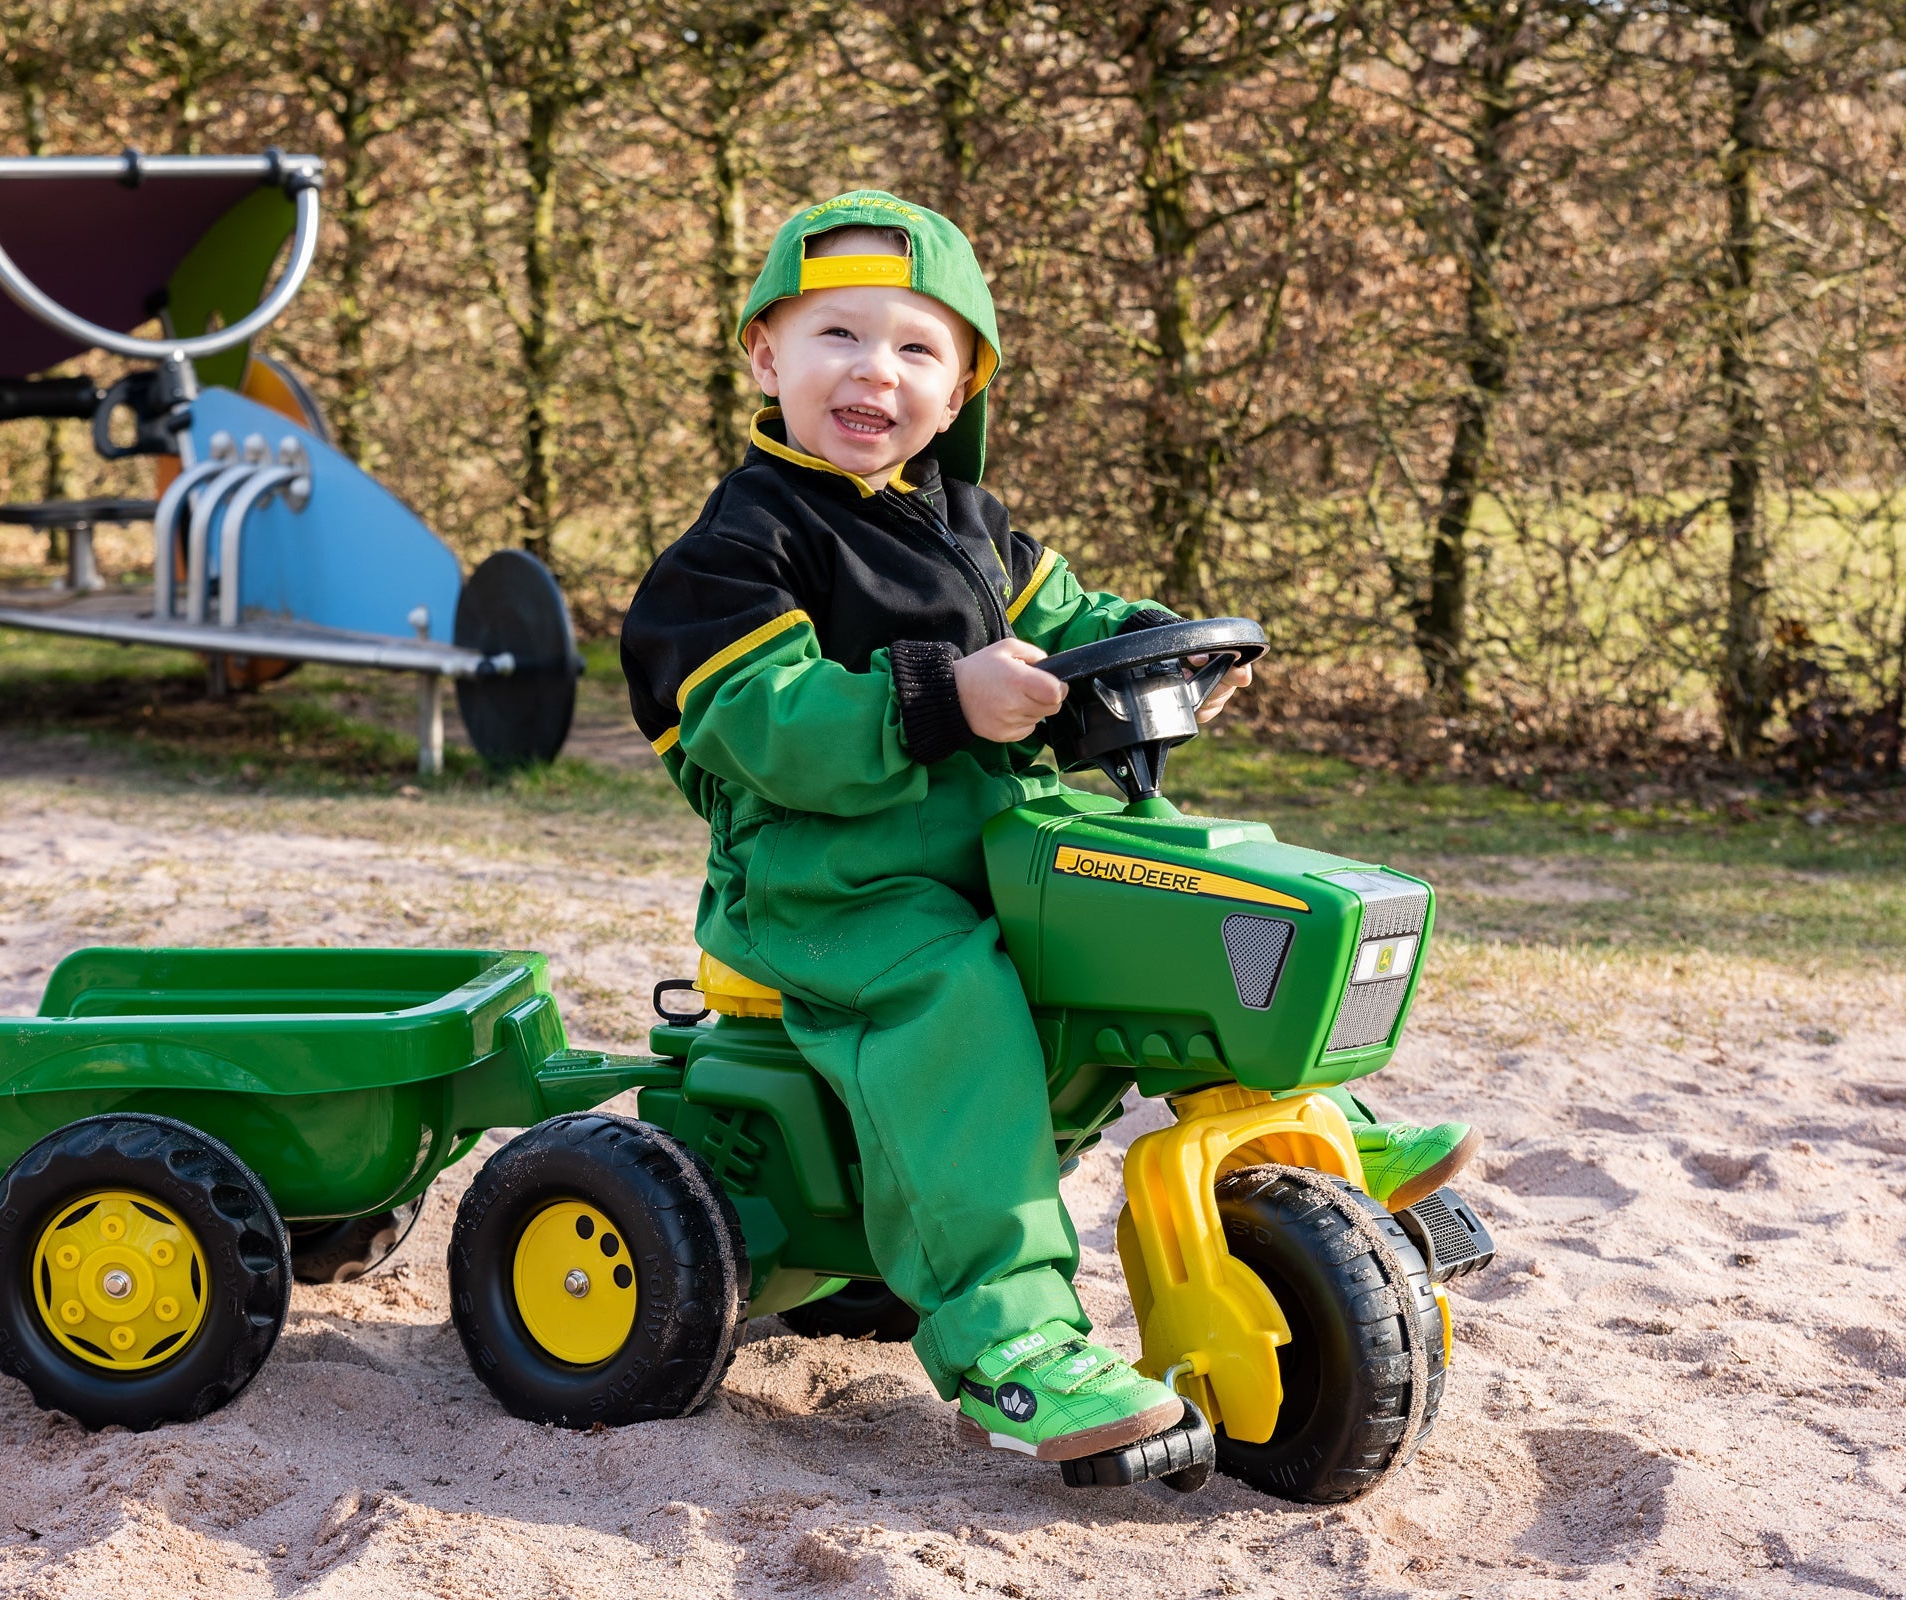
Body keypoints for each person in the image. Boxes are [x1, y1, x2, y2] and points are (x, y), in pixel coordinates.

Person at [621, 191, 1477, 1465]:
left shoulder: (968, 526)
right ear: (765, 355)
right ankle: (1010, 1334)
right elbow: (759, 721)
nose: (876, 371)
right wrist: (944, 696)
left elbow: (1075, 617)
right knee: (953, 1008)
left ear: (960, 389)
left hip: (996, 844)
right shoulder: (743, 547)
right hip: (835, 890)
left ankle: (1297, 1119)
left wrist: (1167, 645)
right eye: (838, 336)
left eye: (918, 350)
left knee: (1167, 883)